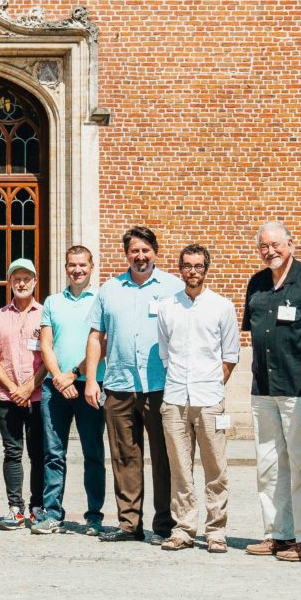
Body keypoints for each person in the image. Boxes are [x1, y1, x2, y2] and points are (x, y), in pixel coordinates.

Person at [84, 226, 184, 544]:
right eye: (134, 251)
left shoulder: (173, 287)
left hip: (160, 385)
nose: (140, 256)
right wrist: (90, 379)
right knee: (124, 456)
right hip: (119, 385)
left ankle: (165, 524)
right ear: (126, 254)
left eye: (145, 250)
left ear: (155, 252)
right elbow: (95, 336)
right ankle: (129, 524)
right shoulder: (110, 290)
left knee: (163, 456)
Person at [243, 222, 301, 562]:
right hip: (263, 389)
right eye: (263, 246)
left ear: (291, 244)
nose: (270, 251)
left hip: (299, 390)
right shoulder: (257, 282)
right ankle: (278, 534)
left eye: (276, 245)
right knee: (268, 465)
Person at [157, 245, 239, 553]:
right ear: (180, 269)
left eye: (199, 266)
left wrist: (214, 387)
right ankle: (184, 529)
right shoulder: (168, 307)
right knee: (180, 468)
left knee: (215, 467)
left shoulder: (221, 306)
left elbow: (230, 356)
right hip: (175, 397)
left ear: (206, 269)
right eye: (188, 266)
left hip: (210, 399)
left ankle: (216, 531)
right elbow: (165, 353)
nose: (193, 271)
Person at [34, 246, 106, 536]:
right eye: (72, 265)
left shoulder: (100, 300)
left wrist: (75, 373)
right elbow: (46, 344)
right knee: (53, 453)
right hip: (55, 387)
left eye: (82, 265)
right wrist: (58, 378)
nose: (77, 270)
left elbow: (102, 343)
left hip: (89, 384)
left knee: (93, 453)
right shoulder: (52, 301)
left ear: (91, 267)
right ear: (66, 267)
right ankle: (52, 514)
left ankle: (94, 516)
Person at [0, 258, 45, 530]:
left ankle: (37, 506)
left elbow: (48, 355)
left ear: (34, 282)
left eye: (26, 279)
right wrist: (14, 388)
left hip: (38, 396)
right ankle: (15, 507)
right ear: (10, 283)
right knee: (12, 451)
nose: (21, 283)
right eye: (16, 279)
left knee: (39, 453)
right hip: (7, 398)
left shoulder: (45, 314)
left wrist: (30, 386)